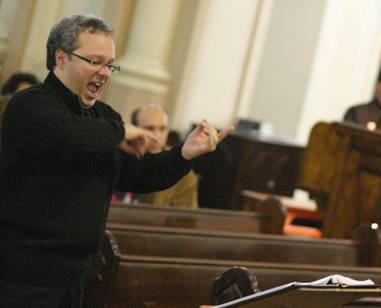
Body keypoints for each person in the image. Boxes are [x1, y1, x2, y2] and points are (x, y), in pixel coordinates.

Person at [0, 14, 232, 307]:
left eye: (110, 64)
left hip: (76, 279)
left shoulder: (105, 117)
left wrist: (184, 153)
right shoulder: (30, 105)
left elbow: (140, 174)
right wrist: (120, 131)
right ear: (61, 58)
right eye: (95, 61)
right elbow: (69, 135)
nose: (105, 72)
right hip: (22, 279)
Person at [114, 102, 199, 208]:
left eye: (162, 129)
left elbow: (185, 218)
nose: (157, 135)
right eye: (150, 128)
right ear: (134, 129)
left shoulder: (182, 172)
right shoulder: (118, 157)